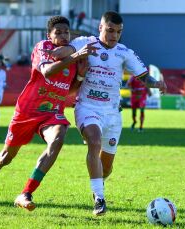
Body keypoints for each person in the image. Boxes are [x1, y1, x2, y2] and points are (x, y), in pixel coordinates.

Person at [0, 16, 98, 210]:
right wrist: (75, 56)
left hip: (51, 113)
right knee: (6, 157)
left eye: (66, 32)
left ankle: (26, 193)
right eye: (59, 32)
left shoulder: (73, 55)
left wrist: (80, 74)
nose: (64, 36)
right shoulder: (43, 48)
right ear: (49, 35)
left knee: (58, 138)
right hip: (27, 112)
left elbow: (69, 89)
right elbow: (47, 72)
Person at [46, 11, 167, 216]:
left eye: (118, 32)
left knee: (106, 168)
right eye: (110, 30)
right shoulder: (85, 42)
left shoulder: (124, 52)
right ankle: (100, 199)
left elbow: (144, 76)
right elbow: (57, 54)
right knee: (93, 141)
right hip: (87, 107)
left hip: (112, 114)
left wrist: (156, 84)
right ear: (100, 28)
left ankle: (97, 187)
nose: (114, 36)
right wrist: (76, 53)